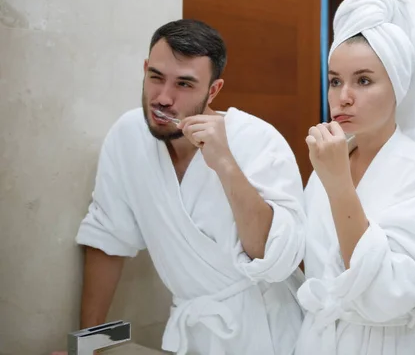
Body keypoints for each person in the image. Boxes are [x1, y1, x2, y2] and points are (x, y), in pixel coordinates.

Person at [53, 19, 306, 355]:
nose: (163, 98)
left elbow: (274, 259)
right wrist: (85, 346)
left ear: (213, 90)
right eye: (156, 77)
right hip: (193, 336)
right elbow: (107, 240)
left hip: (271, 334)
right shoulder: (127, 136)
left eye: (185, 84)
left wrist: (226, 165)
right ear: (144, 69)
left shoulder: (259, 141)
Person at [294, 0, 415, 355]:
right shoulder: (329, 163)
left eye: (364, 80)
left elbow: (384, 291)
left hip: (395, 342)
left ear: (398, 86)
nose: (344, 96)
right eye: (335, 80)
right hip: (322, 338)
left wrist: (339, 184)